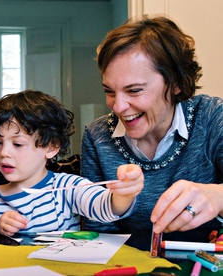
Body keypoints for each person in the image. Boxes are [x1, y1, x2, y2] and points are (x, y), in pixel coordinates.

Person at [81, 15, 223, 250]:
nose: (118, 107)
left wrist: (218, 195)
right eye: (109, 91)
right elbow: (98, 235)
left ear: (176, 83)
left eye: (134, 90)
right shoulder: (96, 136)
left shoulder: (213, 117)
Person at [0, 90, 144, 236]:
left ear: (51, 147)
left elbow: (107, 207)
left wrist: (124, 194)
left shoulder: (68, 188)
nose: (4, 152)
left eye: (18, 144)